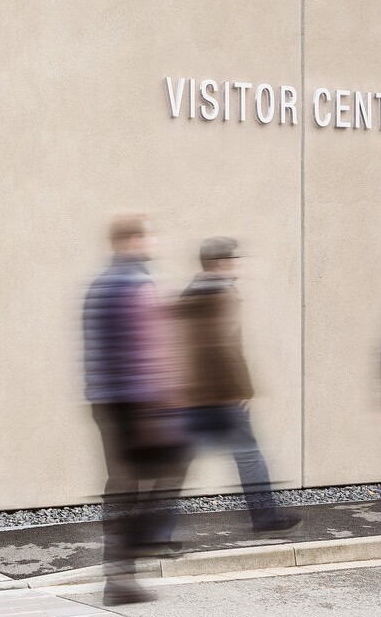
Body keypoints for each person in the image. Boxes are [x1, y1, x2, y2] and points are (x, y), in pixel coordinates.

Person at [81, 214, 189, 607]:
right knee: (174, 464)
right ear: (131, 240)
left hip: (105, 401)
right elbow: (149, 348)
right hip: (138, 403)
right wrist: (155, 409)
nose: (153, 242)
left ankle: (119, 577)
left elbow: (94, 350)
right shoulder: (137, 285)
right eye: (148, 236)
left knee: (122, 485)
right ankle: (139, 542)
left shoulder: (99, 285)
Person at [171, 237, 301, 536]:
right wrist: (244, 389)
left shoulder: (189, 294)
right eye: (233, 260)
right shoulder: (223, 295)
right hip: (222, 394)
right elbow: (226, 347)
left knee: (177, 463)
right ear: (220, 263)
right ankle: (264, 517)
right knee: (249, 453)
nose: (237, 266)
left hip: (193, 394)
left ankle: (155, 530)